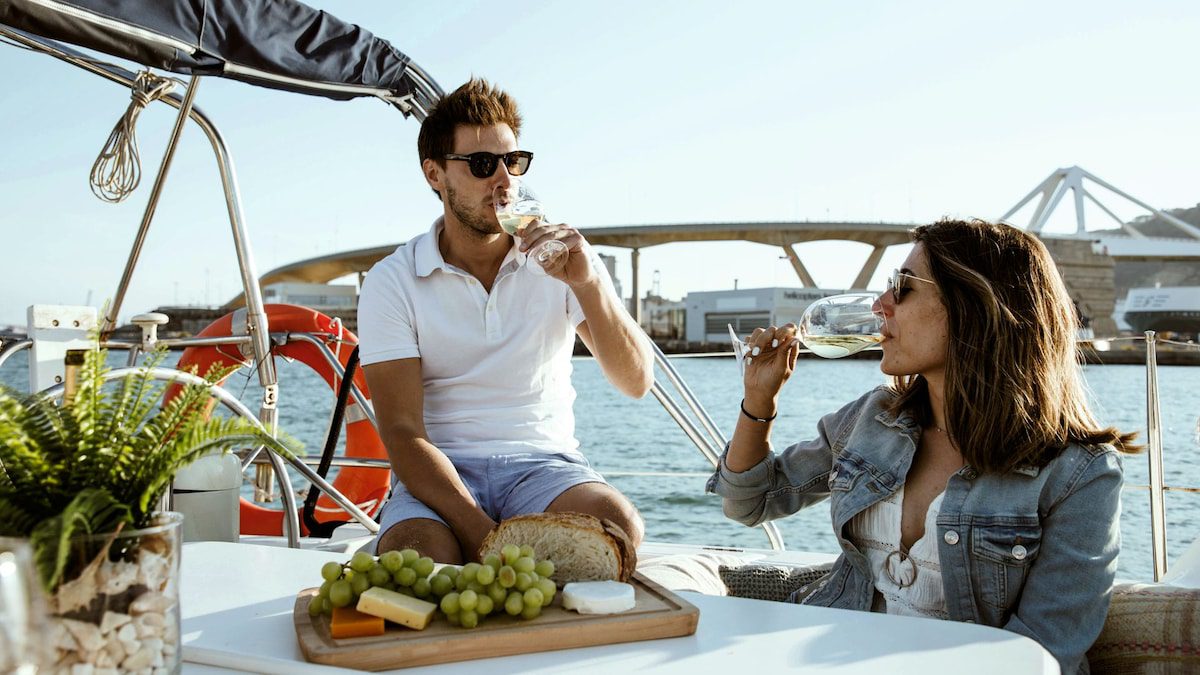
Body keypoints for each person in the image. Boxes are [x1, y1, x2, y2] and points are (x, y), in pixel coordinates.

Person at [708, 219, 1138, 674]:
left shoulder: (1079, 473)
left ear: (972, 306)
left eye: (902, 288)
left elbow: (1043, 650)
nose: (879, 306)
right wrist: (758, 400)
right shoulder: (872, 419)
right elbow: (748, 503)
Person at [357, 78, 652, 564]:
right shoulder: (393, 280)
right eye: (481, 165)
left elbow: (637, 382)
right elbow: (403, 432)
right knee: (417, 561)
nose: (503, 182)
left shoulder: (563, 257)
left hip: (544, 468)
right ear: (435, 175)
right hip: (440, 470)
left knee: (618, 531)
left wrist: (587, 285)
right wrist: (483, 533)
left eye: (512, 162)